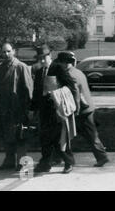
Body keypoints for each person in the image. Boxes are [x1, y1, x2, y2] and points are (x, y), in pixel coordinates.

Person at [31, 45, 78, 174]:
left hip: (57, 110)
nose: (41, 61)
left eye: (44, 58)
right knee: (45, 139)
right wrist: (33, 108)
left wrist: (57, 94)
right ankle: (45, 164)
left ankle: (68, 162)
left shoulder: (58, 68)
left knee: (59, 138)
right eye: (39, 58)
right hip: (44, 111)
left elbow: (71, 86)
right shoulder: (39, 72)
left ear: (50, 55)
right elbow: (36, 92)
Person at [57, 51, 110, 167]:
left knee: (87, 135)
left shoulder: (69, 75)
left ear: (64, 63)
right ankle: (101, 156)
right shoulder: (78, 72)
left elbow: (76, 93)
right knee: (89, 134)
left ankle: (102, 157)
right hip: (88, 107)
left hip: (81, 110)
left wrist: (75, 110)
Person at [0, 42, 33, 171]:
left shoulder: (21, 67)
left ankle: (22, 164)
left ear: (14, 51)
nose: (6, 54)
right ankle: (9, 161)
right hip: (4, 108)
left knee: (20, 135)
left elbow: (29, 89)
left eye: (8, 51)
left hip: (18, 108)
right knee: (7, 135)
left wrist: (29, 108)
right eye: (3, 52)